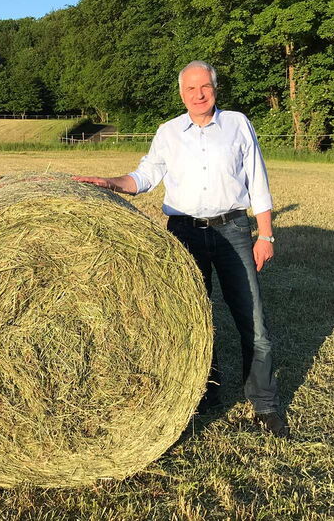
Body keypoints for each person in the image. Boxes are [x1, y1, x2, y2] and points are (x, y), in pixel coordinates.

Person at [74, 60, 288, 438]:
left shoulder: (238, 124)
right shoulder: (169, 132)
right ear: (181, 93)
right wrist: (111, 182)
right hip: (184, 233)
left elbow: (257, 179)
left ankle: (264, 403)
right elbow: (145, 176)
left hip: (234, 228)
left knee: (252, 320)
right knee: (193, 319)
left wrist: (265, 234)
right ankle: (205, 392)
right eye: (191, 89)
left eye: (204, 86)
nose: (198, 94)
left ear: (215, 88)